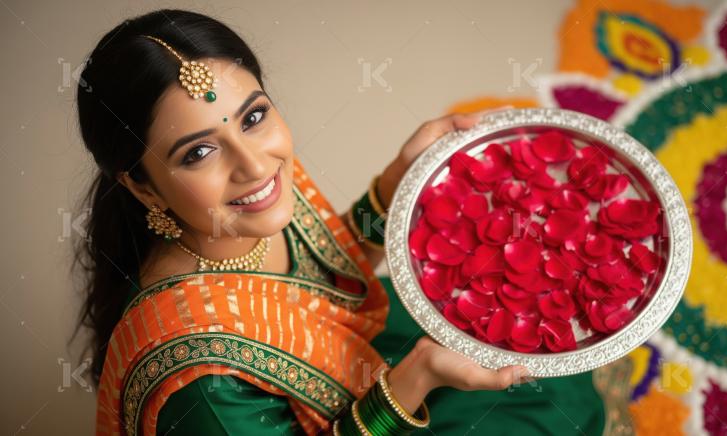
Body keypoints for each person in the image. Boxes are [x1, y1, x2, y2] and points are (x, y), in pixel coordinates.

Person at [73, 9, 550, 436]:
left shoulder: (246, 200)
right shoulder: (203, 385)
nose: (255, 166)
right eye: (199, 152)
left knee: (539, 356)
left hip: (357, 370)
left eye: (253, 116)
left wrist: (397, 182)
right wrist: (417, 378)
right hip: (375, 407)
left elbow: (331, 268)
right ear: (143, 186)